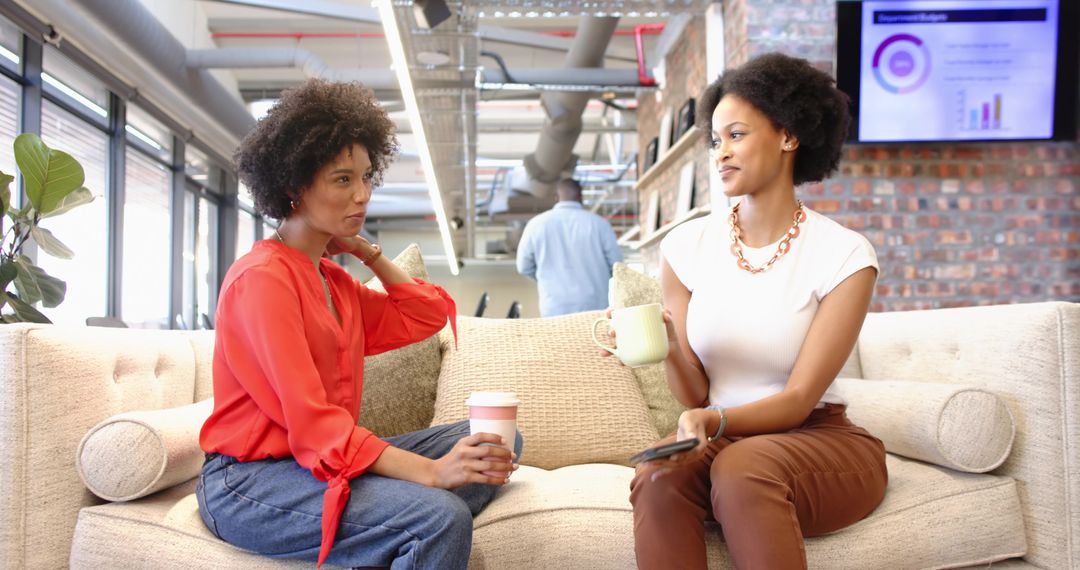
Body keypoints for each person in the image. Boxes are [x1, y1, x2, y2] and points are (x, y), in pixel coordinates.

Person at [196, 79, 522, 569]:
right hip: (249, 481)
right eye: (342, 180)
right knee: (442, 515)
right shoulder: (262, 280)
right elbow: (314, 424)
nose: (363, 195)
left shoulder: (330, 278)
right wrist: (432, 474)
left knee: (498, 441)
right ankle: (405, 525)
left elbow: (424, 317)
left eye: (367, 177)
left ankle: (386, 527)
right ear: (293, 184)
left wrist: (366, 252)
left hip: (316, 462)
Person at [624, 53, 887, 569]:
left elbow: (796, 401)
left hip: (818, 440)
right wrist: (672, 345)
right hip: (726, 443)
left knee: (744, 466)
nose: (721, 153)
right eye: (716, 140)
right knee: (658, 476)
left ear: (789, 136)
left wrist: (710, 418)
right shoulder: (685, 248)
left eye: (737, 135)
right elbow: (695, 392)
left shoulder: (845, 255)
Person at [515, 178, 624, 316]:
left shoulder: (535, 225)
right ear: (581, 197)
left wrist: (547, 276)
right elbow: (618, 267)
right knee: (593, 338)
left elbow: (523, 267)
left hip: (554, 306)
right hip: (595, 306)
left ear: (556, 198)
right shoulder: (600, 224)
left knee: (558, 338)